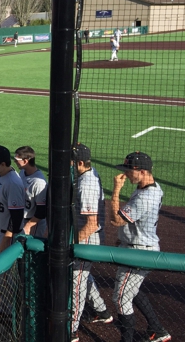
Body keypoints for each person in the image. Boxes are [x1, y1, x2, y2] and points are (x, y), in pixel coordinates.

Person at [108, 152, 171, 342]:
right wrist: (124, 238)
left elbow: (116, 220)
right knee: (131, 291)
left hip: (138, 252)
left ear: (142, 171)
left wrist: (116, 190)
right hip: (139, 245)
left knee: (120, 299)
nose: (126, 174)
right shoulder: (151, 187)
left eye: (129, 170)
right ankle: (157, 330)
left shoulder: (145, 197)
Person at [70, 143, 112, 342]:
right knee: (84, 276)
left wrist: (71, 243)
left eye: (69, 162)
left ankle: (71, 329)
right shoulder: (88, 171)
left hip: (87, 239)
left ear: (79, 163)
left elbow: (92, 223)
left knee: (76, 283)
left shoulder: (86, 183)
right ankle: (101, 310)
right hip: (87, 237)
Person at [13, 146, 47, 237]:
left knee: (30, 248)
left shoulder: (38, 182)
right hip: (22, 218)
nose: (15, 162)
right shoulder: (22, 173)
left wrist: (28, 226)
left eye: (17, 160)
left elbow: (42, 211)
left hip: (33, 223)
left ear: (25, 161)